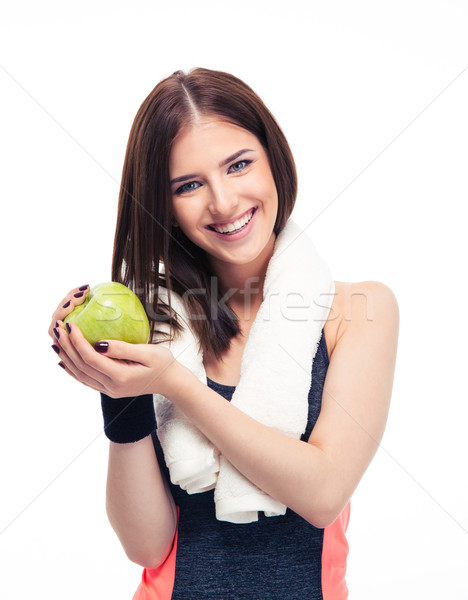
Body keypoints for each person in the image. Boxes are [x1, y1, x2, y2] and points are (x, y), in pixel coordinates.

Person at [48, 67, 399, 599]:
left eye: (238, 165)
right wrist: (119, 393)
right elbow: (146, 547)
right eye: (189, 185)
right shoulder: (153, 325)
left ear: (273, 156)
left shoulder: (359, 309)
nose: (224, 202)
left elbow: (324, 492)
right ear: (163, 206)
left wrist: (177, 386)